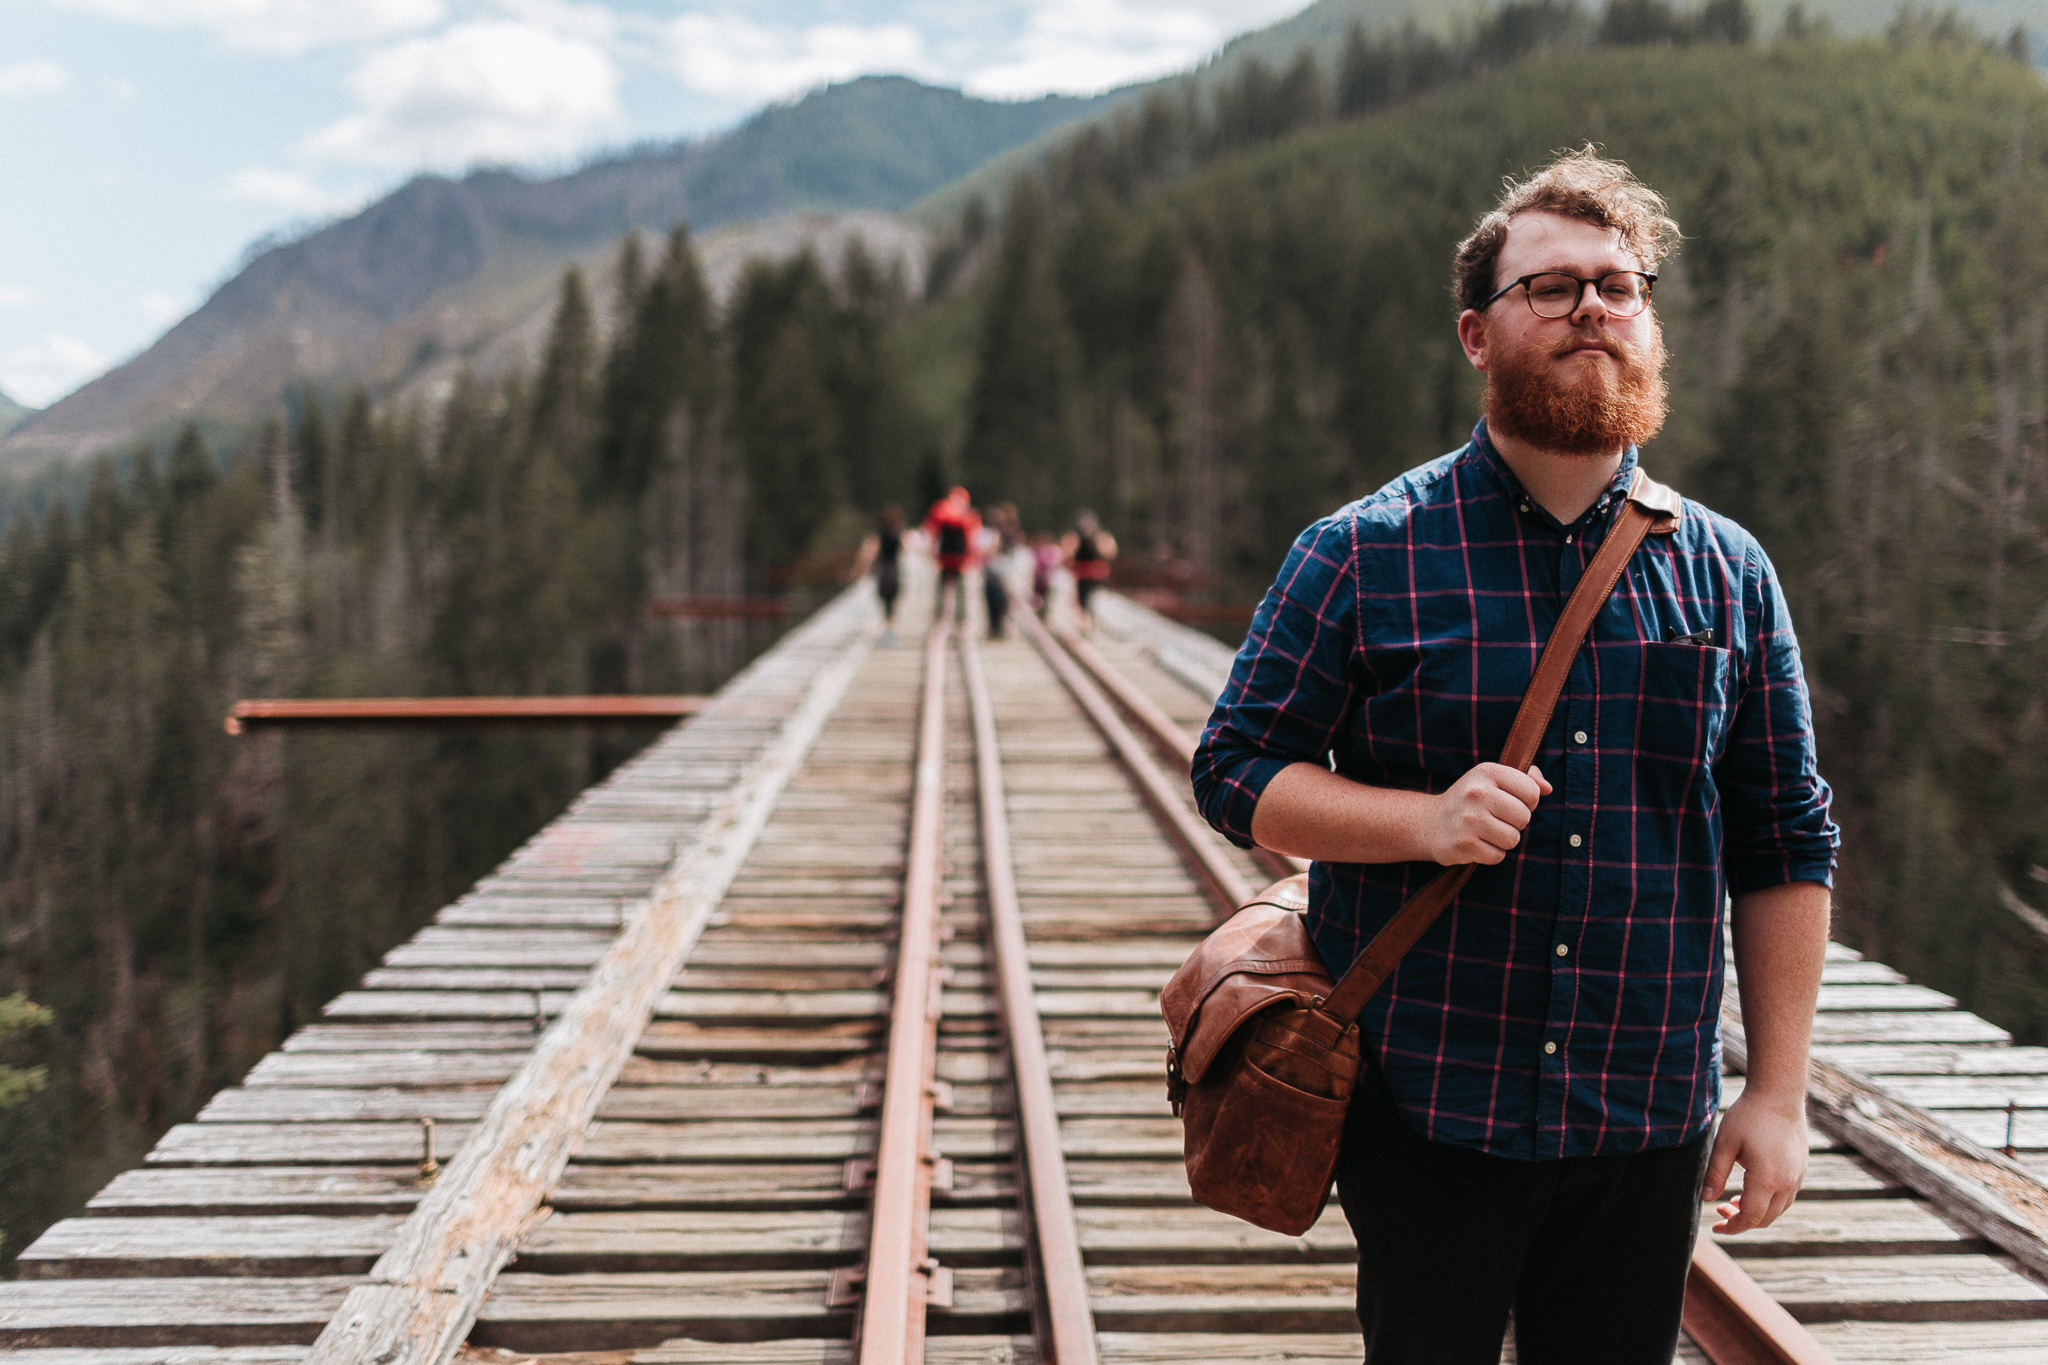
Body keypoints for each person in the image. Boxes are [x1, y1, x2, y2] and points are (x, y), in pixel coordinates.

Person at [1190, 148, 1838, 1365]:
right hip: (1425, 1104)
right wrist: (1417, 823)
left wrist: (1776, 1094)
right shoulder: (1360, 552)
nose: (1590, 306)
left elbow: (1784, 841)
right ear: (1476, 335)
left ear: (1647, 321)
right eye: (1548, 287)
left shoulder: (1727, 571)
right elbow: (1234, 768)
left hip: (1643, 1116)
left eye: (1618, 285)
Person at [922, 486, 981, 623]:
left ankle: (939, 615)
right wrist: (973, 557)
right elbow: (972, 538)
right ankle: (960, 618)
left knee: (942, 589)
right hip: (959, 557)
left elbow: (932, 531)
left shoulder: (940, 510)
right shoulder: (968, 513)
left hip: (944, 556)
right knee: (960, 591)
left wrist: (931, 552)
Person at [851, 504, 905, 645]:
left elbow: (867, 555)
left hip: (882, 571)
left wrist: (857, 572)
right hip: (895, 571)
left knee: (884, 602)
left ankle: (887, 631)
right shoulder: (899, 533)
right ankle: (891, 631)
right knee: (893, 602)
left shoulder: (878, 535)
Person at [1062, 509, 1117, 633]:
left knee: (1083, 601)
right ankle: (1089, 623)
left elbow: (1067, 554)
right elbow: (1110, 553)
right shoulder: (1099, 536)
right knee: (1089, 600)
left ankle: (1086, 623)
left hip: (1086, 573)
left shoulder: (1077, 536)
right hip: (1094, 573)